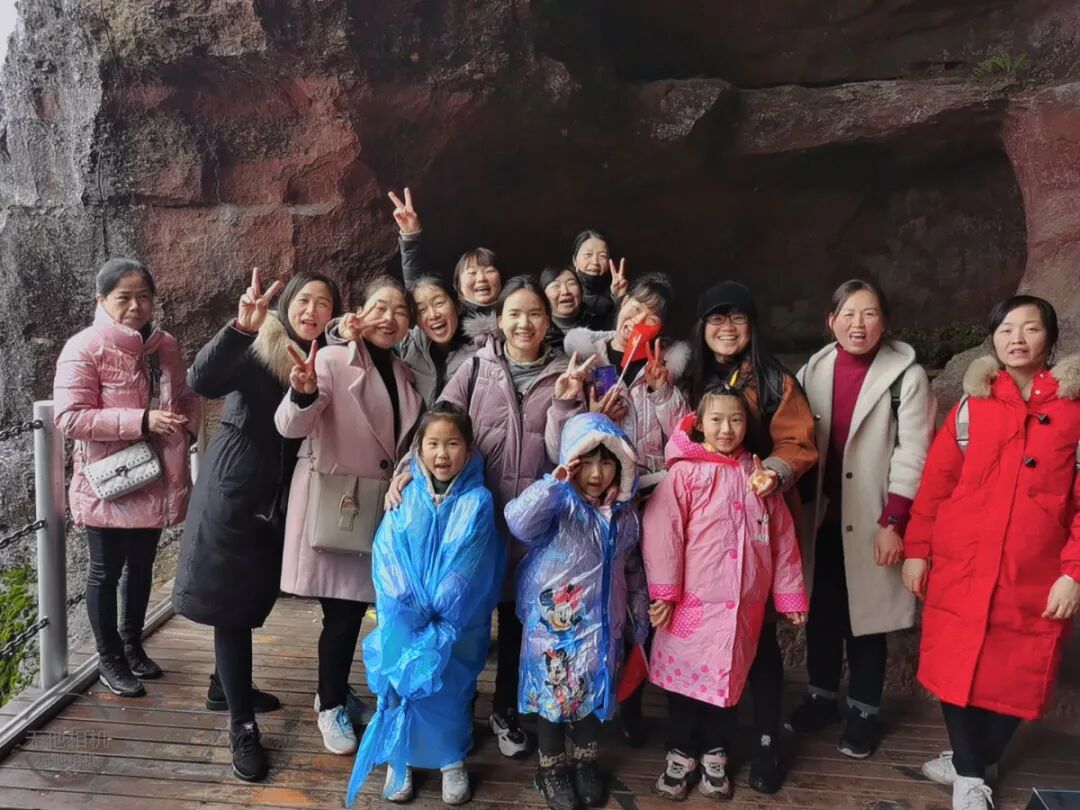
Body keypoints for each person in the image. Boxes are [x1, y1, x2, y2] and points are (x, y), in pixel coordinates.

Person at [901, 295, 1080, 810]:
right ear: (993, 338)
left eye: (1030, 328)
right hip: (963, 564)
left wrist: (1073, 572)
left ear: (1051, 338)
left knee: (1020, 672)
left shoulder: (1073, 414)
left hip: (1033, 572)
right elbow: (936, 485)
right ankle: (970, 775)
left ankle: (973, 759)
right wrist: (918, 549)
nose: (1016, 339)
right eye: (1006, 329)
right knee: (955, 666)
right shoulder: (970, 408)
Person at [175, 268, 342, 781]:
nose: (312, 310)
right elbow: (201, 381)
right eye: (304, 300)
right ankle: (241, 724)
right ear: (286, 304)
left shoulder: (327, 357)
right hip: (236, 485)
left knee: (249, 596)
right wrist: (240, 328)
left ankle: (224, 687)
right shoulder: (259, 346)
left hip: (281, 492)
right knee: (231, 606)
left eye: (323, 303)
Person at [430, 275, 584, 760]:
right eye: (514, 313)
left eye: (534, 313)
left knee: (519, 618)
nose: (524, 323)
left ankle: (505, 710)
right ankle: (459, 707)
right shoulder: (475, 367)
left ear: (547, 321)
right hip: (477, 518)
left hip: (536, 522)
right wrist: (408, 476)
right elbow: (439, 429)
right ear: (499, 319)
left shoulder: (562, 373)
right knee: (467, 615)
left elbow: (565, 452)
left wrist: (564, 401)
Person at [275, 274, 424, 758]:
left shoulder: (402, 372)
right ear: (360, 312)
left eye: (400, 311)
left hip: (378, 505)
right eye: (380, 307)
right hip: (341, 501)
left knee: (353, 611)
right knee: (342, 614)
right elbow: (291, 425)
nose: (389, 318)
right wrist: (301, 393)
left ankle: (334, 691)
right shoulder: (333, 360)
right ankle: (330, 704)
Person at [787, 280, 935, 758]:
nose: (858, 324)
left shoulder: (905, 376)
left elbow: (914, 453)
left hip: (874, 519)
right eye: (848, 314)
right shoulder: (814, 369)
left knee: (867, 621)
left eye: (869, 314)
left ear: (884, 322)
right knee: (822, 612)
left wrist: (894, 521)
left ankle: (864, 712)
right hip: (821, 518)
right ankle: (821, 698)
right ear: (831, 321)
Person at [682, 280, 817, 792]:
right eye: (716, 318)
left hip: (757, 525)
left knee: (759, 640)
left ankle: (764, 742)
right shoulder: (685, 377)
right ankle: (693, 740)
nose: (727, 327)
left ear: (753, 326)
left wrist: (774, 473)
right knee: (695, 636)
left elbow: (798, 442)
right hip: (700, 533)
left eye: (737, 318)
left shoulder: (776, 381)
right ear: (701, 327)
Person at [642, 387, 807, 801]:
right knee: (684, 687)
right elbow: (664, 533)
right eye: (716, 420)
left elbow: (782, 540)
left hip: (740, 610)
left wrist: (790, 595)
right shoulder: (686, 474)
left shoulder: (759, 478)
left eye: (735, 419)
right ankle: (680, 754)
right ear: (700, 424)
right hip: (691, 604)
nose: (727, 429)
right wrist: (665, 592)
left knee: (725, 686)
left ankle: (716, 753)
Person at [54, 258, 200, 698]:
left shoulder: (164, 345)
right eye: (124, 298)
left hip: (156, 475)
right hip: (110, 482)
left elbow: (186, 395)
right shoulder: (85, 347)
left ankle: (132, 646)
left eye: (143, 296)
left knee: (141, 568)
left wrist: (187, 430)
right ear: (101, 300)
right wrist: (141, 421)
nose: (135, 306)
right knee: (104, 572)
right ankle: (109, 659)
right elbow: (69, 417)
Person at [345, 403, 504, 807]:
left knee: (451, 689)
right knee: (403, 688)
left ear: (468, 449)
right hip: (405, 617)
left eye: (452, 443)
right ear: (418, 450)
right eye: (433, 444)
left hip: (456, 623)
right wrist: (407, 602)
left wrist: (441, 609)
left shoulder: (478, 501)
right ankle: (401, 760)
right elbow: (388, 551)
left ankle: (451, 759)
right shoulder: (405, 495)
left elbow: (471, 564)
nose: (442, 454)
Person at [562, 271, 689, 746]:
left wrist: (662, 393)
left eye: (651, 315)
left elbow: (682, 440)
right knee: (593, 602)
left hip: (646, 504)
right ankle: (586, 704)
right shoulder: (588, 359)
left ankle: (629, 705)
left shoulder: (663, 370)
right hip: (593, 505)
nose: (638, 318)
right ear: (621, 306)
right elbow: (563, 434)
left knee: (637, 606)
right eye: (634, 306)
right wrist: (595, 418)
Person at [505, 412, 648, 810]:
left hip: (601, 626)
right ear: (572, 461)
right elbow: (519, 522)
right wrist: (552, 485)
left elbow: (632, 567)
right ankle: (551, 768)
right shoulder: (558, 504)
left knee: (592, 696)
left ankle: (586, 762)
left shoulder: (624, 515)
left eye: (607, 462)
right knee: (552, 698)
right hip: (554, 628)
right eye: (587, 462)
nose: (597, 473)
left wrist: (638, 614)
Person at [389, 187, 503, 319]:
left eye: (489, 271)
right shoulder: (450, 322)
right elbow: (419, 288)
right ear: (458, 287)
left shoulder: (516, 317)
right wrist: (411, 237)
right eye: (472, 273)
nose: (481, 278)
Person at [570, 230, 628, 330]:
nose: (595, 262)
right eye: (588, 254)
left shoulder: (615, 294)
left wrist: (619, 299)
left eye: (602, 256)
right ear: (574, 260)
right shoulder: (563, 291)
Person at [541, 265, 585, 350]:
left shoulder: (599, 322)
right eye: (556, 286)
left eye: (571, 284)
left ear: (581, 290)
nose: (565, 291)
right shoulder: (539, 333)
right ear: (543, 295)